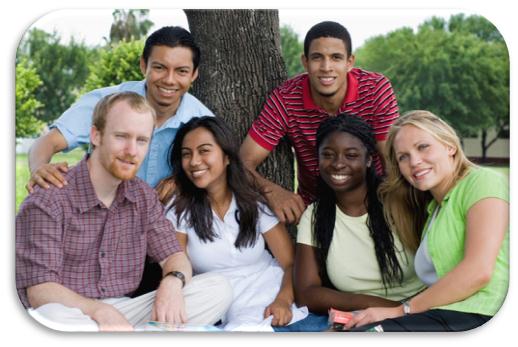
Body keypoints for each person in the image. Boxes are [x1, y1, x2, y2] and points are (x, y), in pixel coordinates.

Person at [16, 92, 232, 332]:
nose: (132, 150)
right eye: (121, 137)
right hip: (69, 312)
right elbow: (39, 291)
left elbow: (174, 256)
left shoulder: (142, 196)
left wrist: (172, 282)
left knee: (217, 288)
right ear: (96, 135)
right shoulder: (48, 199)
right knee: (51, 314)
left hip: (124, 312)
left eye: (142, 140)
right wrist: (99, 311)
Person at [345, 110, 509, 332]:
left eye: (423, 147)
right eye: (403, 156)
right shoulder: (434, 210)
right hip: (445, 313)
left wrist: (400, 310)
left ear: (450, 146)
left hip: (482, 314)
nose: (414, 161)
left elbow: (479, 271)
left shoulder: (483, 182)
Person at [239, 21, 399, 224]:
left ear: (350, 62)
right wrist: (273, 192)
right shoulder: (286, 99)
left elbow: (390, 162)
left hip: (372, 199)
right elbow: (242, 162)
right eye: (317, 58)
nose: (326, 67)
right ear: (305, 62)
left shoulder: (375, 89)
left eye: (336, 58)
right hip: (316, 206)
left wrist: (389, 212)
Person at [159, 116, 308, 331]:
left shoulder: (252, 201)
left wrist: (283, 300)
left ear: (227, 157)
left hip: (273, 293)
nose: (193, 161)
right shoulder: (178, 209)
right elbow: (175, 268)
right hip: (219, 302)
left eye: (204, 150)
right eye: (186, 154)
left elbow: (290, 263)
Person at [277, 115, 424, 332]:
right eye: (328, 155)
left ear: (368, 160)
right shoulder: (315, 215)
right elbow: (307, 293)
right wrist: (382, 308)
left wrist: (403, 310)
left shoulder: (399, 201)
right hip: (364, 318)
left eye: (351, 155)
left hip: (421, 313)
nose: (337, 163)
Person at [26, 26, 213, 193]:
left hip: (167, 222)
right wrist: (39, 168)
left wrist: (182, 182)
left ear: (194, 74)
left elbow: (218, 178)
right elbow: (49, 141)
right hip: (101, 215)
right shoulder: (106, 102)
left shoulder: (203, 120)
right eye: (160, 67)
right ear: (143, 65)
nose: (169, 80)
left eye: (181, 71)